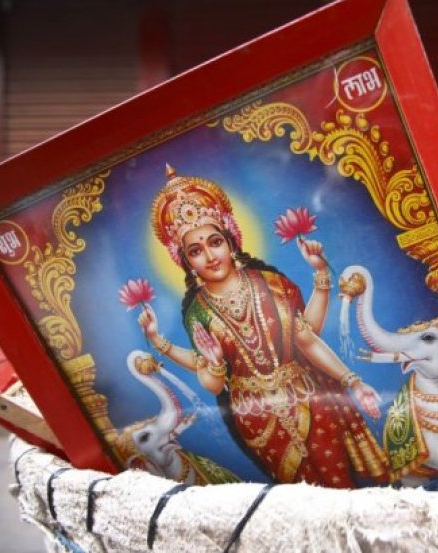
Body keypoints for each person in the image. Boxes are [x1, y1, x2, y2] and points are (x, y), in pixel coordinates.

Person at [137, 165, 389, 488]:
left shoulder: (270, 284)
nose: (210, 256)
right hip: (256, 420)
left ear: (231, 242)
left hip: (309, 400)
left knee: (342, 486)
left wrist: (352, 381)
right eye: (196, 251)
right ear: (186, 262)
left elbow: (306, 337)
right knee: (306, 499)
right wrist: (213, 362)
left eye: (215, 242)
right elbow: (212, 385)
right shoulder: (197, 311)